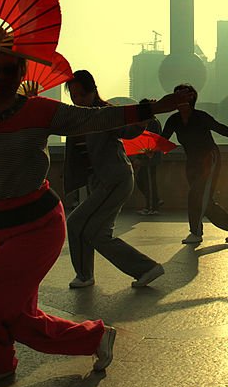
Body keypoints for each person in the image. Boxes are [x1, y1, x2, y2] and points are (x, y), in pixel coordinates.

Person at [0, 30, 190, 384]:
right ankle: (92, 338)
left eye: (9, 70)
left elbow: (97, 118)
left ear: (22, 73)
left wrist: (156, 107)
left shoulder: (40, 111)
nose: (1, 78)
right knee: (16, 314)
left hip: (37, 228)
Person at [64, 71, 165, 289]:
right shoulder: (75, 118)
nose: (77, 100)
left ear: (93, 91)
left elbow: (127, 131)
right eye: (73, 96)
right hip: (99, 182)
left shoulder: (104, 114)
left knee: (75, 223)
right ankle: (146, 268)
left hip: (115, 179)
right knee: (98, 234)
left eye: (82, 95)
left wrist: (142, 119)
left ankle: (84, 275)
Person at [160, 84, 228, 245]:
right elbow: (163, 139)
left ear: (190, 98)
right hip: (191, 161)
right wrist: (151, 150)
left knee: (196, 195)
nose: (177, 99)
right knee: (204, 199)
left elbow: (219, 128)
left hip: (208, 159)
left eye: (180, 95)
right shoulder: (174, 120)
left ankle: (195, 233)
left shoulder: (201, 117)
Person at [133, 114, 164, 215]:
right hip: (148, 158)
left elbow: (149, 142)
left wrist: (141, 158)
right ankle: (155, 200)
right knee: (141, 180)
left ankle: (151, 207)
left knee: (149, 183)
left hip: (150, 159)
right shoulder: (152, 122)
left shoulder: (152, 123)